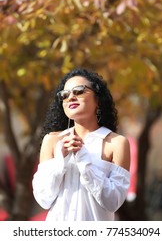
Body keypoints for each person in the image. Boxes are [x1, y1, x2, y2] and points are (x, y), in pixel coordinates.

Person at [32, 68, 130, 221]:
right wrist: (60, 161)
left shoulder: (116, 143)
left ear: (98, 99)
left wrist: (84, 160)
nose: (70, 97)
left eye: (78, 91)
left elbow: (113, 202)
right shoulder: (52, 141)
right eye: (65, 95)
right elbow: (43, 198)